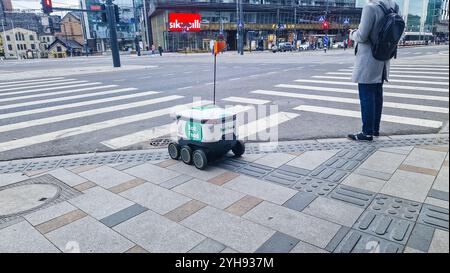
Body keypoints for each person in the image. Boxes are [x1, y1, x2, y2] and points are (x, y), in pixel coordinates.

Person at [347, 0, 397, 142]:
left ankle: (367, 132)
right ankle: (374, 129)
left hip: (369, 58)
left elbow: (362, 36)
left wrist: (352, 33)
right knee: (377, 94)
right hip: (383, 57)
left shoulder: (370, 8)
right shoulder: (393, 6)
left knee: (366, 94)